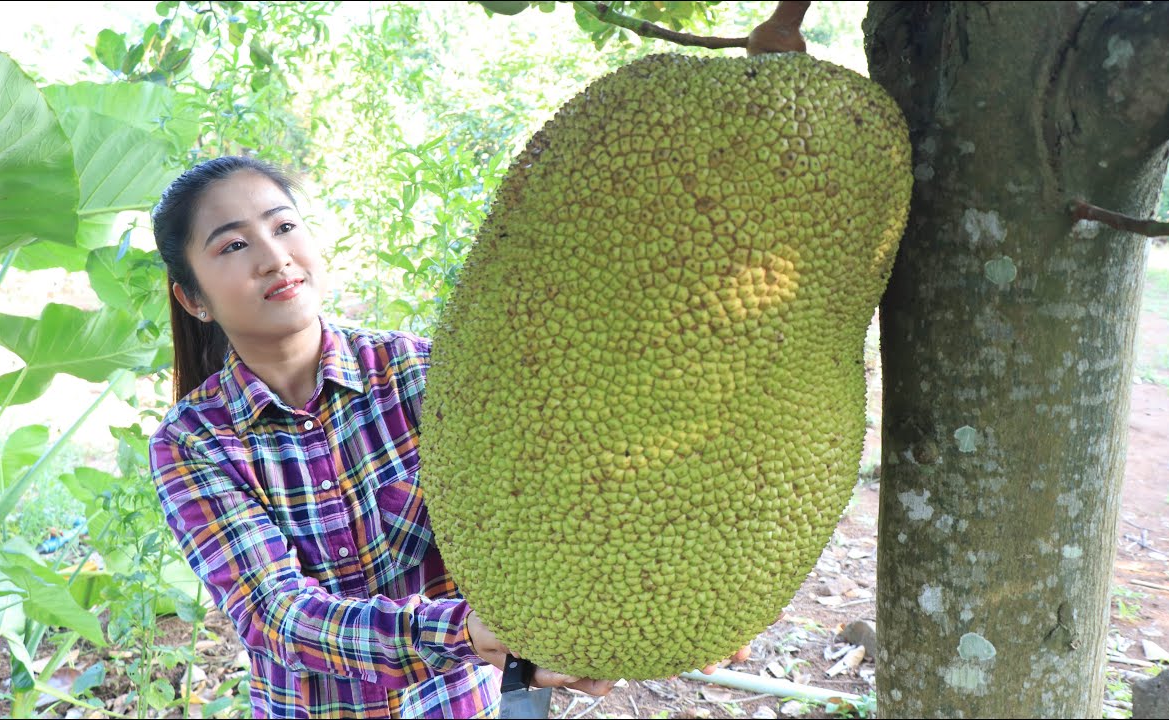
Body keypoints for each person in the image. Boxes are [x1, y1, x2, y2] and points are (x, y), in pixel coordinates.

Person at [147, 156, 749, 719]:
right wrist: (465, 632)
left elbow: (565, 486)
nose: (274, 257)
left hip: (459, 702)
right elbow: (276, 616)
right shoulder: (194, 441)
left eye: (284, 225)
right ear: (193, 298)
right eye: (233, 244)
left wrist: (688, 588)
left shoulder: (428, 374)